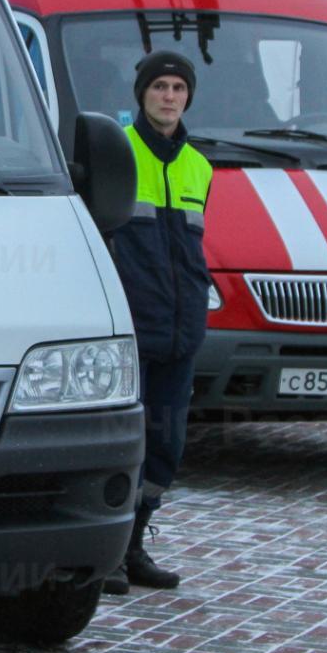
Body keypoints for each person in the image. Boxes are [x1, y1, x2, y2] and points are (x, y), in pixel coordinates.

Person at [103, 50, 212, 593]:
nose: (169, 97)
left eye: (177, 88)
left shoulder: (200, 165)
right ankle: (106, 554)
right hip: (132, 330)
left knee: (164, 449)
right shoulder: (118, 154)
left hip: (180, 332)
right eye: (160, 87)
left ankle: (135, 545)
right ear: (142, 93)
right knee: (123, 445)